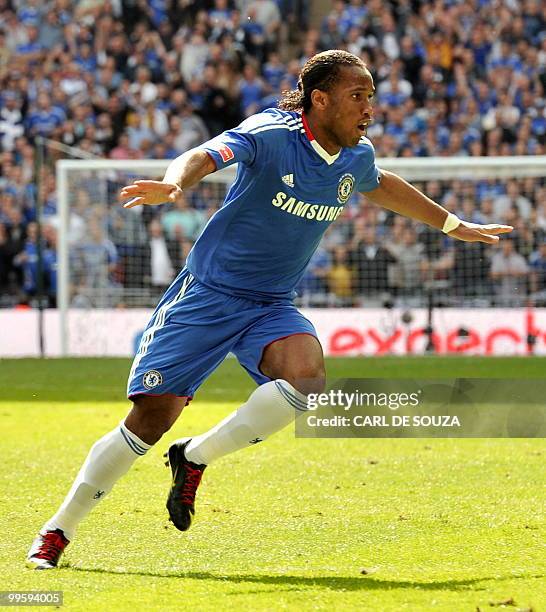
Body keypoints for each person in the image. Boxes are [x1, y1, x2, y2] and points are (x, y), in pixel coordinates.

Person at [27, 50, 512, 569]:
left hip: (270, 304)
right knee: (150, 419)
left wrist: (451, 224)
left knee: (306, 378)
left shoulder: (355, 154)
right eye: (357, 96)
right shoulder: (272, 133)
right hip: (208, 296)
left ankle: (194, 458)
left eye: (370, 96)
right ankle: (58, 529)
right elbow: (207, 153)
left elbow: (381, 183)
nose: (369, 107)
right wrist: (175, 183)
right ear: (319, 99)